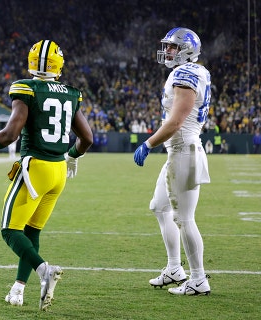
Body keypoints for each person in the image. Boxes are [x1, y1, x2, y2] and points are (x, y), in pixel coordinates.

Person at [0, 39, 93, 310]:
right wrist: (73, 156)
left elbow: (10, 134)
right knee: (31, 230)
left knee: (10, 230)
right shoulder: (71, 93)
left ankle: (43, 270)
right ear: (59, 64)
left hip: (35, 168)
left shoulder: (26, 87)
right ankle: (18, 289)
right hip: (58, 171)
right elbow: (87, 137)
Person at [133, 27, 212, 295]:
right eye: (167, 46)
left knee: (184, 218)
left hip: (184, 151)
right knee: (159, 206)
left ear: (186, 49)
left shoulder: (185, 73)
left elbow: (176, 121)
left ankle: (199, 279)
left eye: (172, 47)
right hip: (180, 151)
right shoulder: (196, 71)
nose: (167, 51)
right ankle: (174, 268)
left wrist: (148, 143)